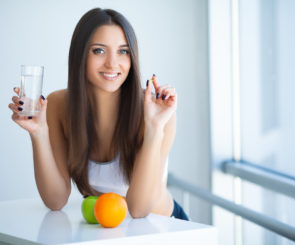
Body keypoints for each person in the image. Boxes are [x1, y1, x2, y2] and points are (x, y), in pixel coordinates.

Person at [8, 8, 189, 221]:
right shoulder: (59, 104)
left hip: (165, 228)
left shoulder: (156, 111)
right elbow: (55, 200)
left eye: (123, 51)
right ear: (80, 55)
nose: (112, 63)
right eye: (99, 51)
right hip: (106, 229)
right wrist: (38, 133)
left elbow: (138, 209)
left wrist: (154, 127)